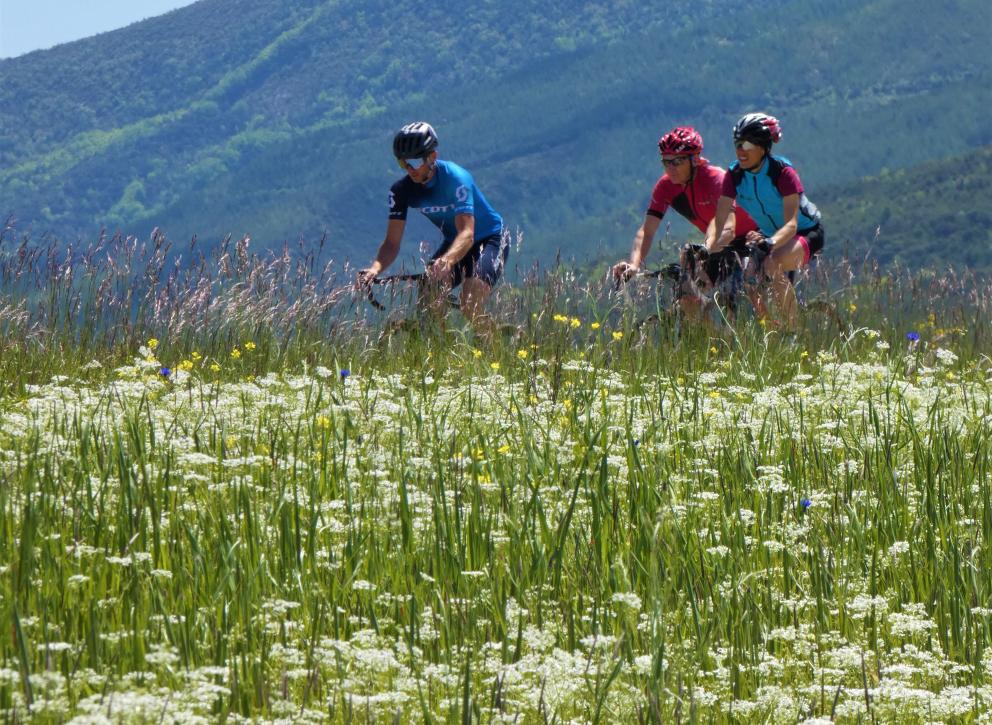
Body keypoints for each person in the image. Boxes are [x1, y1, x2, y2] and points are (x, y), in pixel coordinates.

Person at [358, 122, 507, 333]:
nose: (410, 169)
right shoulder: (401, 191)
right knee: (428, 299)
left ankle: (495, 352)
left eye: (415, 161)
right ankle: (440, 349)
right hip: (454, 241)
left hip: (489, 238)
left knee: (469, 302)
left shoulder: (456, 178)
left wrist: (446, 261)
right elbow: (392, 243)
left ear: (432, 157)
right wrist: (374, 269)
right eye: (403, 163)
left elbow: (467, 233)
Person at [612, 126, 760, 320]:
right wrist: (634, 263)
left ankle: (781, 331)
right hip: (716, 245)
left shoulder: (716, 179)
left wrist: (706, 249)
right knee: (687, 295)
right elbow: (646, 231)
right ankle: (715, 344)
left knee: (745, 292)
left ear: (695, 159)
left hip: (753, 237)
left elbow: (726, 227)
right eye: (666, 162)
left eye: (677, 161)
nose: (670, 168)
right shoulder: (666, 187)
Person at [704, 113, 824, 328]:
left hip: (806, 233)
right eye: (737, 143)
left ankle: (792, 333)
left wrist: (770, 243)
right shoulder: (735, 175)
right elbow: (720, 216)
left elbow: (791, 225)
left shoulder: (783, 173)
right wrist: (709, 247)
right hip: (769, 235)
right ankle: (770, 328)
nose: (741, 150)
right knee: (749, 280)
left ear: (763, 147)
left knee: (772, 264)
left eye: (747, 144)